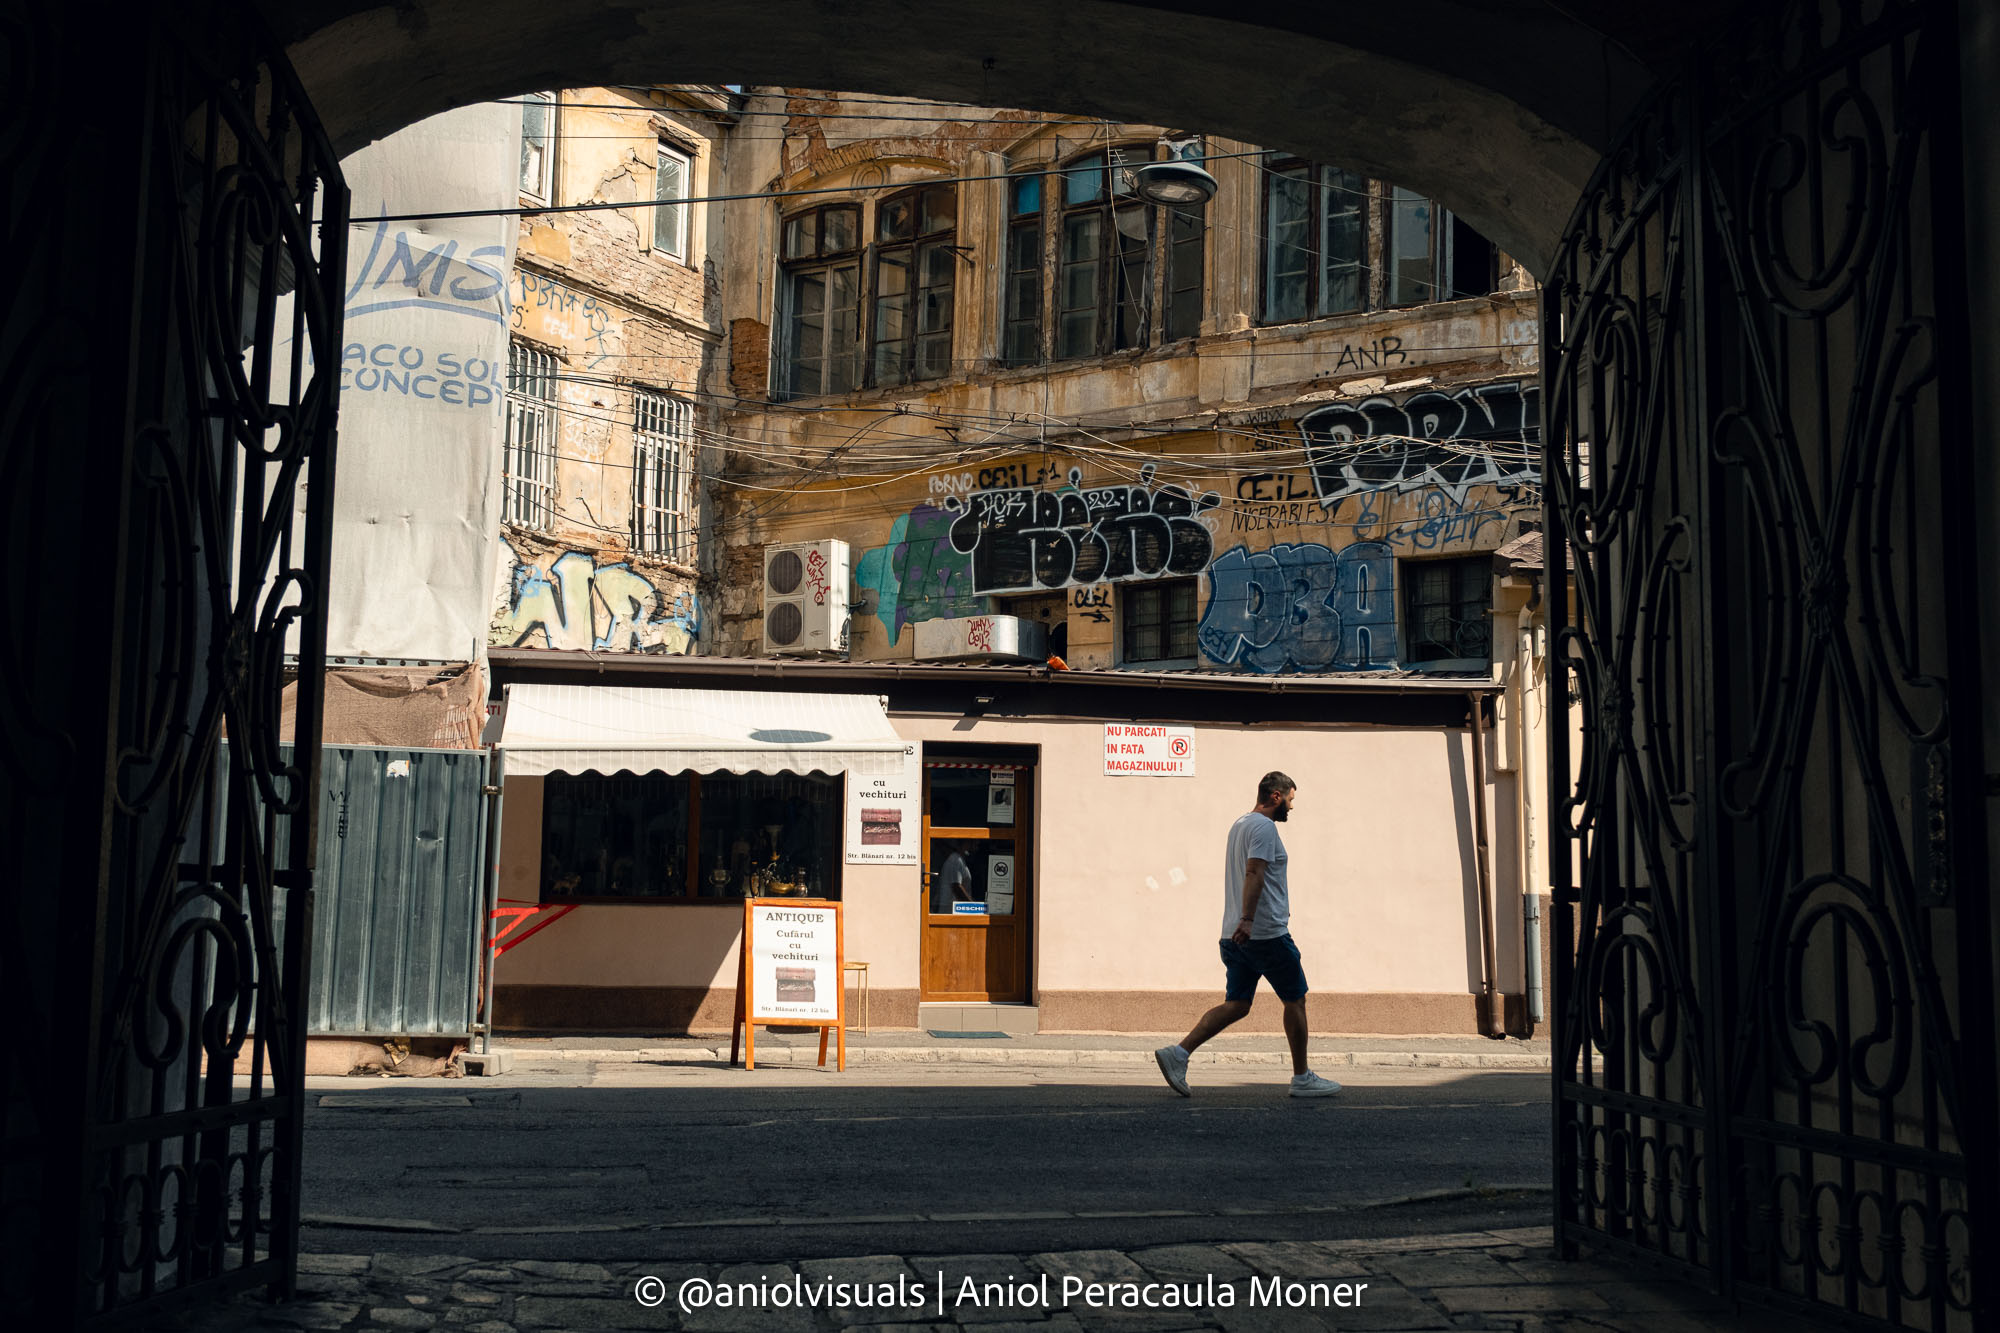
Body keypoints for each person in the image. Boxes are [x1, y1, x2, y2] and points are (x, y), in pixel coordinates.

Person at [1155, 771, 1342, 1098]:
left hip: (1235, 936)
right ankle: (1302, 1078)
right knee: (1295, 999)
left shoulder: (1239, 824)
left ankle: (1178, 1053)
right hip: (1264, 933)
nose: (1292, 807)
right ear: (1276, 796)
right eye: (1291, 799)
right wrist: (1248, 919)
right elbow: (1254, 871)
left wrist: (1241, 924)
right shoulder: (1264, 827)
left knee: (1238, 1004)